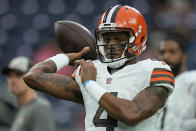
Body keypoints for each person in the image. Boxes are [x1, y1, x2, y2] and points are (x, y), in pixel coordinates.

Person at [24, 5, 174, 131]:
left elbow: (131, 114)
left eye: (119, 39)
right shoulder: (94, 70)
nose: (111, 45)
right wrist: (66, 57)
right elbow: (32, 77)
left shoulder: (153, 70)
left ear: (138, 39)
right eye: (107, 39)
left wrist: (90, 84)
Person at [1, 56, 56, 131]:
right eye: (10, 75)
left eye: (18, 74)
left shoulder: (40, 108)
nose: (12, 80)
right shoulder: (23, 108)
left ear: (31, 77)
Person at [155, 36, 196, 131]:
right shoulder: (152, 86)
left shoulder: (193, 79)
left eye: (172, 52)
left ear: (184, 57)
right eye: (162, 52)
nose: (166, 56)